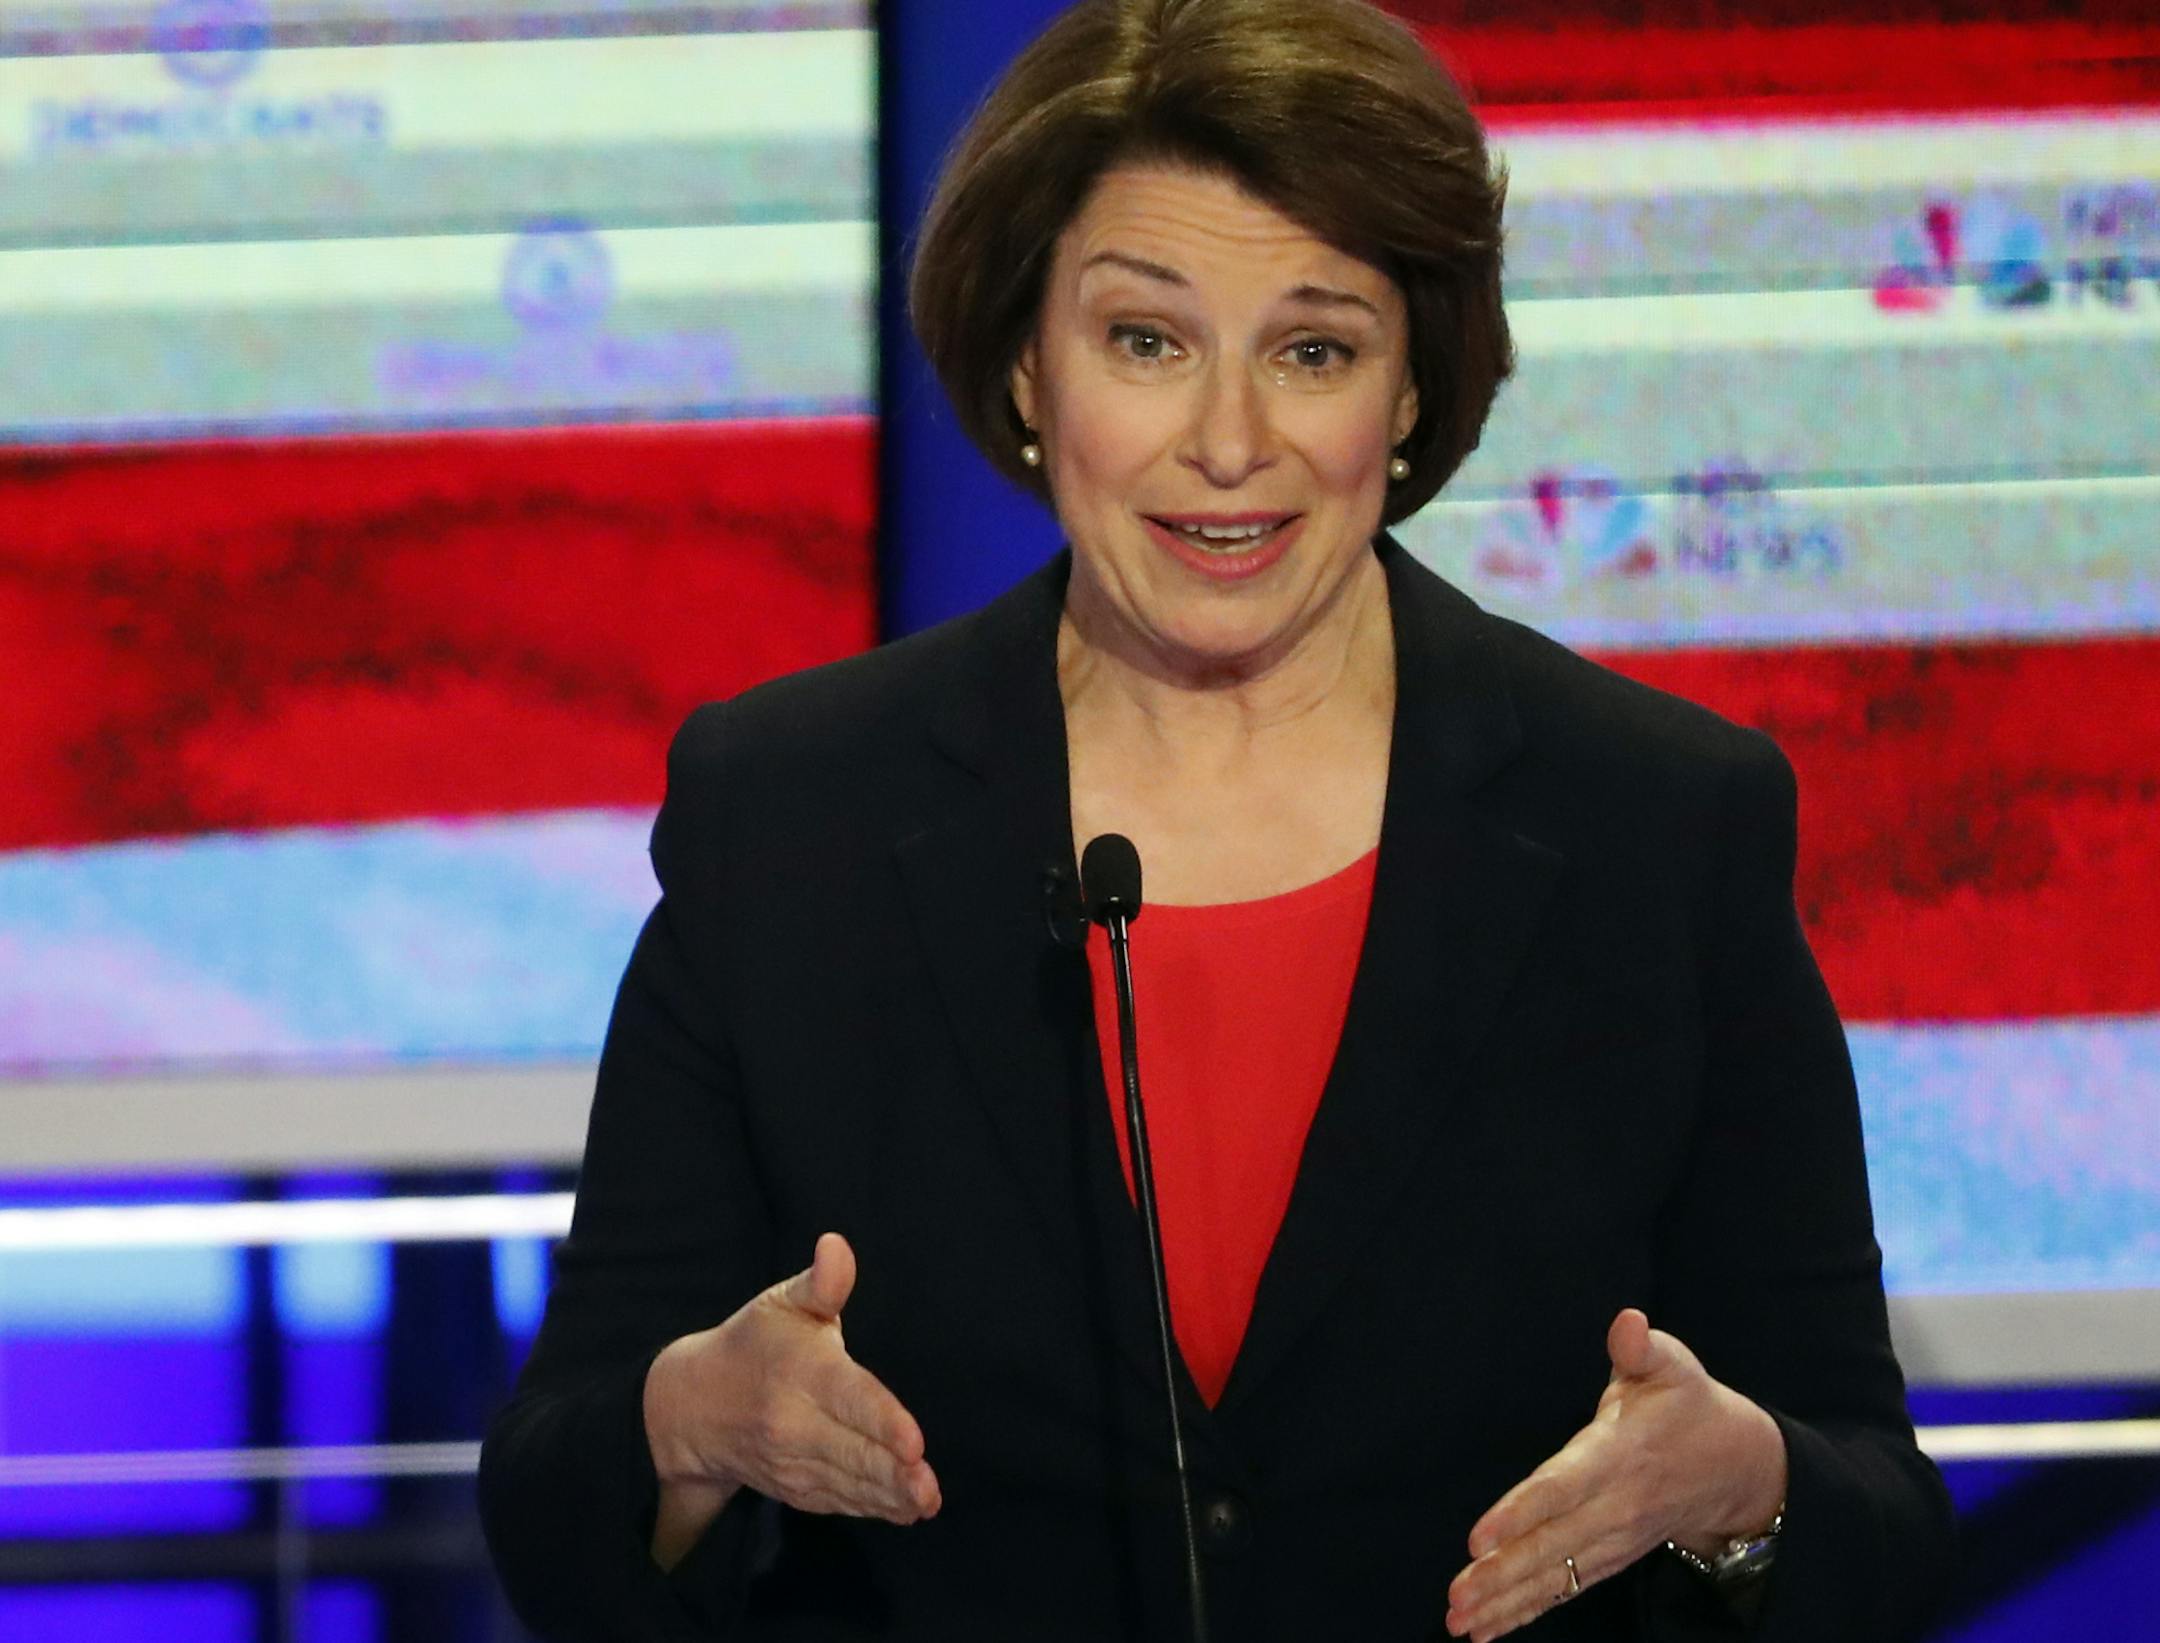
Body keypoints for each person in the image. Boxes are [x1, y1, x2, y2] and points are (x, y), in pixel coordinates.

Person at [478, 1, 1956, 1637]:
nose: (1233, 444)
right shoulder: (792, 814)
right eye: (1147, 342)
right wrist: (694, 1426)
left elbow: (1875, 1525)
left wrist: (1739, 1488)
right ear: (1030, 365)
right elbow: (556, 1513)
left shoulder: (1659, 827)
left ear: (1407, 395)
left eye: (1314, 350)